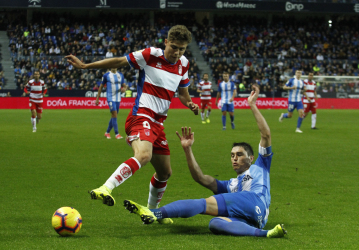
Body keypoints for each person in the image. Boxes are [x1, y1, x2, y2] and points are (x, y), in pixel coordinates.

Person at [66, 25, 199, 224]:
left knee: (165, 173)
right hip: (141, 116)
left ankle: (152, 211)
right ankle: (106, 188)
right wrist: (86, 66)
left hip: (158, 124)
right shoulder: (151, 55)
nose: (177, 52)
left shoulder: (184, 64)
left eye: (182, 48)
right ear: (166, 42)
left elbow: (182, 93)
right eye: (174, 47)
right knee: (144, 155)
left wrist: (190, 104)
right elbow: (120, 61)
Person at [123, 85, 287, 238]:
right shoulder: (231, 185)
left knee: (203, 204)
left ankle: (155, 213)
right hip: (257, 218)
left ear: (251, 158)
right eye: (232, 155)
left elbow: (266, 135)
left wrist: (252, 105)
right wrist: (188, 150)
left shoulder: (261, 166)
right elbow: (200, 177)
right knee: (216, 223)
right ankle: (264, 233)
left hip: (255, 200)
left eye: (239, 154)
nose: (234, 158)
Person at [95, 68, 127, 139]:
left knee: (114, 116)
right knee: (114, 114)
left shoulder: (120, 75)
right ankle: (117, 134)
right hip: (110, 98)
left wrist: (124, 89)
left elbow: (124, 85)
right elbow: (101, 87)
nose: (114, 67)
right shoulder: (106, 75)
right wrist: (97, 98)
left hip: (118, 98)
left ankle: (107, 133)